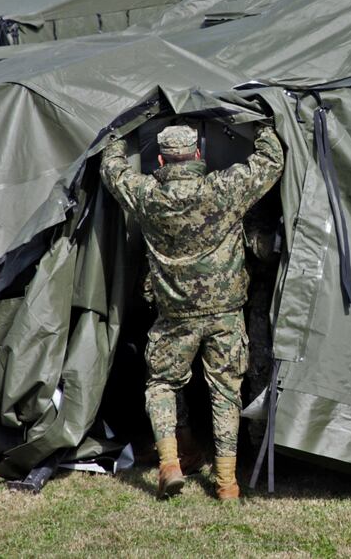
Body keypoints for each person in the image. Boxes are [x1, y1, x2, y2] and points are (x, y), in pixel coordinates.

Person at [102, 121, 284, 500]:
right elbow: (271, 162)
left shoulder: (148, 195)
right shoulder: (223, 189)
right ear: (198, 154)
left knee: (162, 385)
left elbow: (112, 170)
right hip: (225, 314)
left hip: (175, 316)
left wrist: (117, 136)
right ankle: (227, 484)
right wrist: (263, 126)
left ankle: (170, 463)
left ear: (161, 158)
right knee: (226, 392)